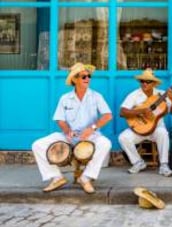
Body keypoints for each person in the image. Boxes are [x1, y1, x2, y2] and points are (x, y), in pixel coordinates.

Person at [32, 63, 113, 194]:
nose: (87, 79)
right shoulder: (65, 98)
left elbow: (108, 115)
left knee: (106, 143)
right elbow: (60, 119)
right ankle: (56, 178)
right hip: (69, 136)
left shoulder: (96, 96)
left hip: (90, 136)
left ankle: (85, 177)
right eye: (83, 77)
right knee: (37, 145)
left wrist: (92, 128)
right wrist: (67, 131)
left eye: (89, 76)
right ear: (74, 79)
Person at [118, 68, 172, 177]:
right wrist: (141, 111)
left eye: (148, 81)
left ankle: (164, 165)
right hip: (139, 128)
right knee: (123, 137)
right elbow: (122, 112)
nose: (144, 83)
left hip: (156, 128)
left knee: (163, 133)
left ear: (154, 83)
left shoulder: (162, 94)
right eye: (142, 81)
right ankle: (138, 162)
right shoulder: (134, 94)